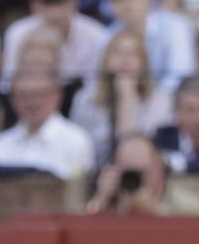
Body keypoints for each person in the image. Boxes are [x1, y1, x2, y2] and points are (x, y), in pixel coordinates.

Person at [69, 27, 175, 160]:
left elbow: (137, 152)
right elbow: (79, 146)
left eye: (133, 54)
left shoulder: (160, 99)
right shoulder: (85, 98)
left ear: (144, 63)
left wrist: (127, 98)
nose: (125, 60)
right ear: (105, 60)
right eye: (117, 52)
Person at [0, 0, 105, 96]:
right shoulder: (18, 33)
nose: (54, 12)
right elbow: (7, 84)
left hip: (80, 104)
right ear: (34, 5)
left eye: (60, 4)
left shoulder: (96, 34)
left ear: (74, 2)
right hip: (31, 98)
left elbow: (98, 86)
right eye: (47, 5)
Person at [0, 67, 96, 178]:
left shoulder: (76, 140)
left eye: (40, 94)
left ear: (58, 96)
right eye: (25, 96)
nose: (33, 102)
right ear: (13, 100)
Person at [105, 0, 197, 91]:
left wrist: (154, 103)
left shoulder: (176, 26)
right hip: (123, 100)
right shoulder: (109, 35)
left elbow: (182, 74)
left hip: (169, 101)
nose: (126, 5)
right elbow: (101, 80)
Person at [86, 131, 199, 213]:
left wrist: (151, 210)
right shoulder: (111, 199)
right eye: (129, 173)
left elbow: (189, 240)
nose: (135, 179)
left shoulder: (188, 206)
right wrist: (101, 201)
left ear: (159, 167)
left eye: (142, 172)